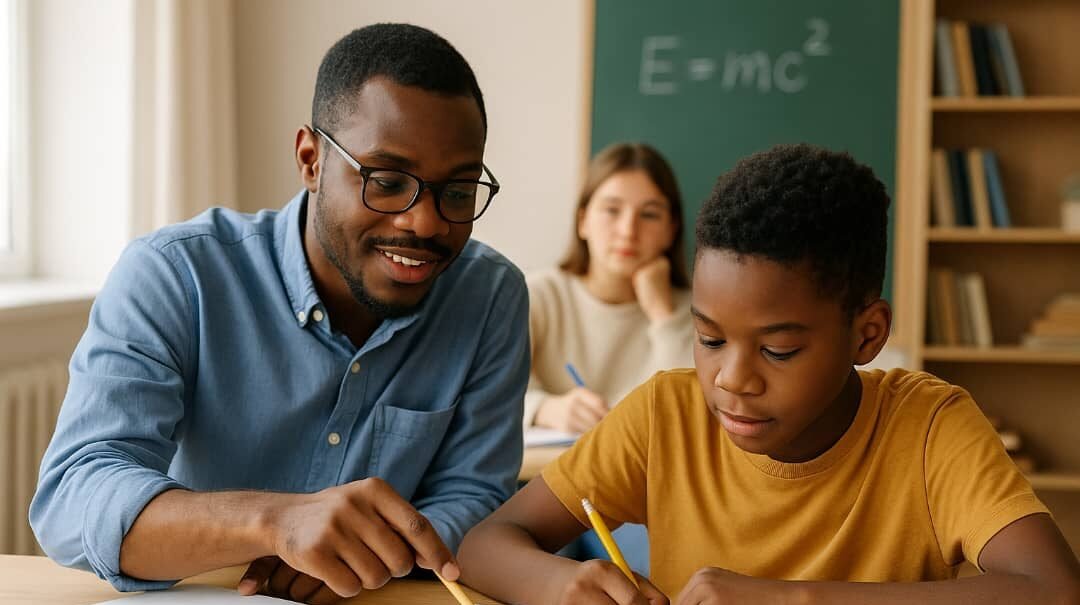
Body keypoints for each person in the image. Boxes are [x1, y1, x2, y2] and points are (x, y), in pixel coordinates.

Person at [30, 23, 529, 605]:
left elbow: (477, 497)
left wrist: (361, 551)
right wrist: (275, 523)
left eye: (458, 191)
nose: (425, 222)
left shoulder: (491, 297)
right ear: (311, 161)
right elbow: (74, 496)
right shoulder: (175, 275)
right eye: (388, 181)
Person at [458, 144, 1080, 604]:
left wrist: (793, 599)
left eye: (779, 351)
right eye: (709, 339)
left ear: (867, 335)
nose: (731, 379)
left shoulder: (928, 427)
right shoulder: (664, 416)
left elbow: (1053, 589)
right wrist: (561, 585)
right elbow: (487, 544)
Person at [526, 142, 693, 436]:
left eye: (649, 214)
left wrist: (662, 313)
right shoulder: (539, 295)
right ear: (583, 221)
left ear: (672, 229)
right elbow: (485, 395)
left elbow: (694, 406)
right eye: (612, 210)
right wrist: (545, 408)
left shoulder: (698, 312)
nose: (628, 231)